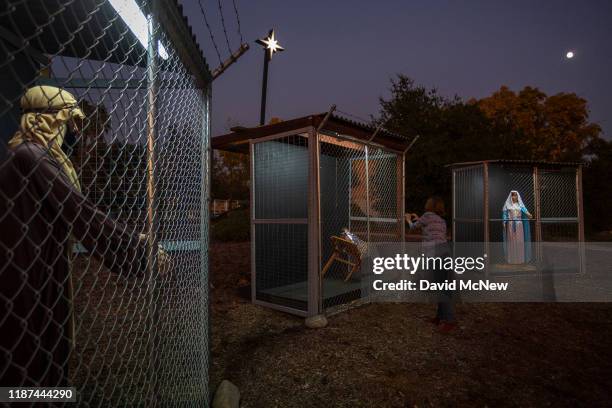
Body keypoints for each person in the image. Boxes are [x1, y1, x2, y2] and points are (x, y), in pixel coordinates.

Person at [0, 86, 160, 388]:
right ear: (50, 120)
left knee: (42, 351)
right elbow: (80, 212)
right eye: (70, 121)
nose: (75, 130)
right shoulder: (30, 156)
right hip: (24, 275)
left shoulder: (32, 154)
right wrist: (140, 252)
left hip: (35, 267)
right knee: (28, 357)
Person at [405, 197, 455, 333]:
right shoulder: (442, 221)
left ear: (430, 206)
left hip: (435, 254)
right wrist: (418, 218)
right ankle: (440, 317)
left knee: (441, 288)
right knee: (443, 286)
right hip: (445, 253)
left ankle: (449, 320)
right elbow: (430, 228)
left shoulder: (426, 216)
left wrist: (409, 219)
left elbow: (412, 228)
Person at [502, 190, 533, 264]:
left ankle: (520, 259)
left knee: (520, 241)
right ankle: (512, 259)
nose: (514, 197)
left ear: (517, 196)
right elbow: (505, 214)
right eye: (513, 195)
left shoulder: (520, 205)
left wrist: (529, 215)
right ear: (511, 196)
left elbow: (526, 212)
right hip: (511, 225)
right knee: (511, 241)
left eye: (515, 195)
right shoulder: (507, 205)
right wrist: (504, 221)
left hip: (519, 225)